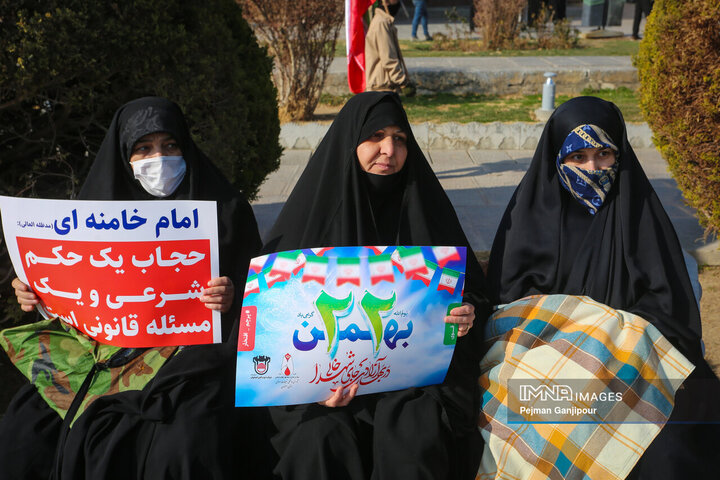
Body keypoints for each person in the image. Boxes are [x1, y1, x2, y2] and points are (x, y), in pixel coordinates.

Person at [0, 97, 263, 479]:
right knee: (25, 429)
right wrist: (33, 293)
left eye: (170, 146)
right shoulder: (91, 215)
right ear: (124, 156)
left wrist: (232, 293)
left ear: (187, 147)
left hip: (191, 357)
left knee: (181, 442)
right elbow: (67, 288)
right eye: (144, 148)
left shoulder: (226, 211)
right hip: (99, 349)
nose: (159, 158)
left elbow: (258, 290)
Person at [486, 96, 720, 478]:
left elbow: (672, 316)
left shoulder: (641, 219)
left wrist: (607, 337)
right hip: (545, 371)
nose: (592, 168)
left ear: (620, 156)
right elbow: (504, 314)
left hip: (632, 367)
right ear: (556, 161)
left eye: (604, 155)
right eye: (578, 158)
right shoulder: (527, 222)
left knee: (671, 447)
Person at [263, 91, 490, 479]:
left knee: (411, 432)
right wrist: (308, 387)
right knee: (319, 438)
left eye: (400, 139)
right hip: (321, 383)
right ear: (351, 143)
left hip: (412, 378)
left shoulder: (423, 208)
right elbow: (273, 325)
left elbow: (472, 293)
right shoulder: (312, 220)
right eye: (376, 136)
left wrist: (466, 310)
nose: (389, 149)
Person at [365, 0, 415, 96]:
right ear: (386, 2)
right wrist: (402, 81)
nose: (398, 3)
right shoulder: (381, 23)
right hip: (381, 88)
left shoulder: (385, 21)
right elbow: (388, 58)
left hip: (385, 87)